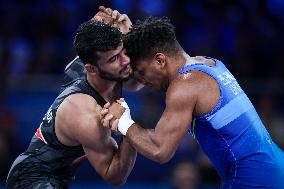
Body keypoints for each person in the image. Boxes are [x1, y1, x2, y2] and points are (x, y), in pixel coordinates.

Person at [102, 17, 284, 188]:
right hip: (274, 168)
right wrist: (131, 35)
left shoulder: (185, 86)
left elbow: (160, 150)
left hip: (255, 180)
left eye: (141, 71)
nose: (141, 80)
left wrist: (124, 121)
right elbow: (148, 50)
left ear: (160, 60)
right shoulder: (210, 63)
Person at [6, 7, 141, 188]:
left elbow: (140, 79)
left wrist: (131, 35)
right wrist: (128, 129)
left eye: (124, 51)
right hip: (31, 180)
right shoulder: (86, 115)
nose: (125, 61)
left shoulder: (93, 67)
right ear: (91, 69)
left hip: (59, 178)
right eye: (114, 59)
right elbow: (114, 176)